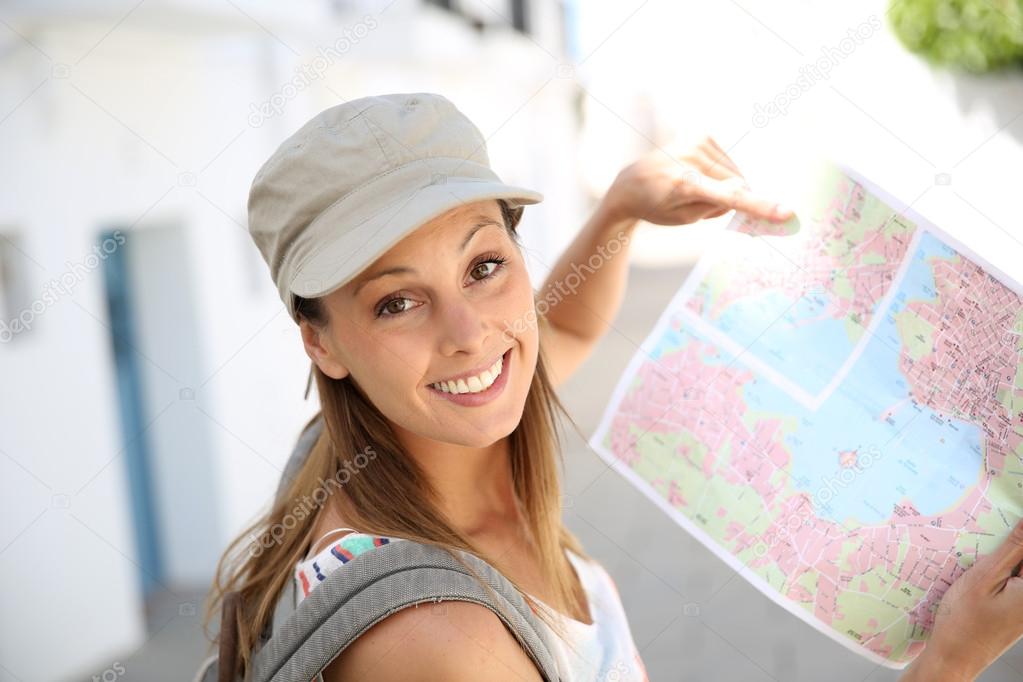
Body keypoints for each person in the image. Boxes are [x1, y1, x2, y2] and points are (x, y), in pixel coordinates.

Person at [202, 92, 1023, 681]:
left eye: (484, 265)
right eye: (397, 302)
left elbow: (558, 330)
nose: (468, 334)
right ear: (320, 341)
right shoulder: (439, 646)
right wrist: (949, 662)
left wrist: (622, 207)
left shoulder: (374, 444)